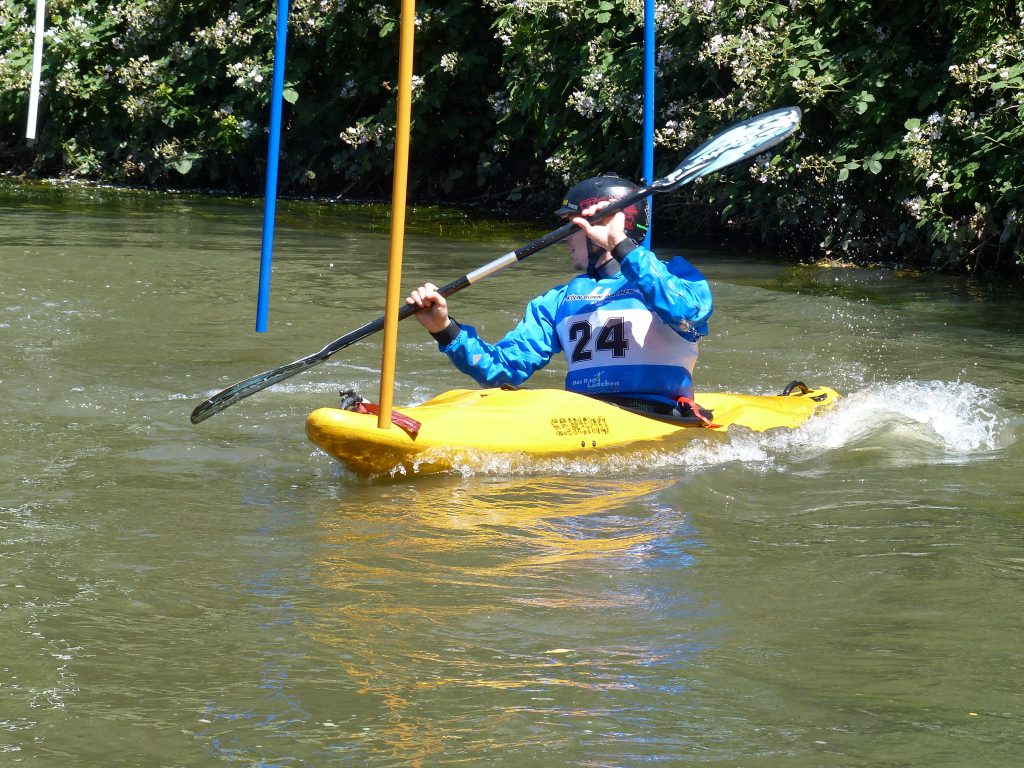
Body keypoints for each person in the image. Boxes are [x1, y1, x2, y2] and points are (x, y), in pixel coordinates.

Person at [405, 173, 713, 415]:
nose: (564, 239)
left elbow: (688, 311)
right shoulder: (557, 301)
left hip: (658, 415)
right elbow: (500, 372)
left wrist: (619, 245)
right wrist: (444, 329)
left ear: (612, 225)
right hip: (583, 419)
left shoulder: (673, 277)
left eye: (571, 228)